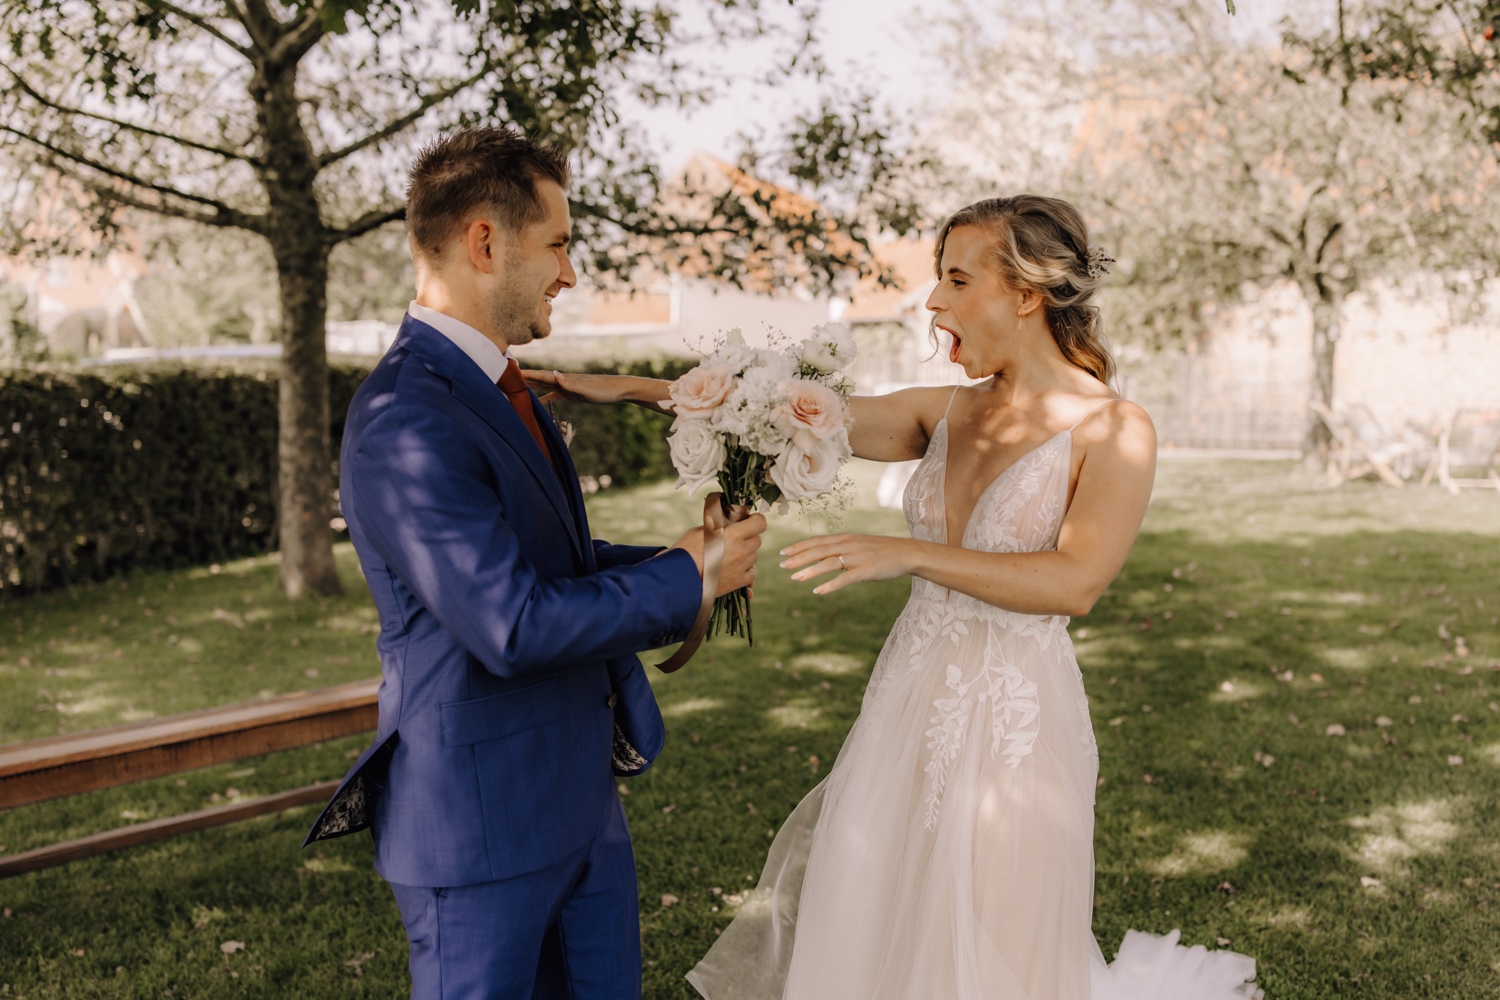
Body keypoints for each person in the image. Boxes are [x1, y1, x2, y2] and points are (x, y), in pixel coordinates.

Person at [532, 195, 1261, 999]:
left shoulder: (1115, 428)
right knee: (882, 909)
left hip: (1017, 720)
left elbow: (1075, 582)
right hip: (909, 699)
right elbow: (772, 415)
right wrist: (616, 387)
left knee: (999, 931)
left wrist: (908, 553)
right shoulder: (942, 410)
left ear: (1026, 294)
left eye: (956, 279)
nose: (935, 302)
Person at [301, 125, 767, 1000]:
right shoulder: (407, 417)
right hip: (476, 829)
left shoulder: (498, 385)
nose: (570, 272)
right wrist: (687, 580)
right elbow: (510, 622)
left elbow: (552, 562)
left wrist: (691, 554)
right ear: (486, 241)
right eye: (557, 244)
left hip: (578, 805)